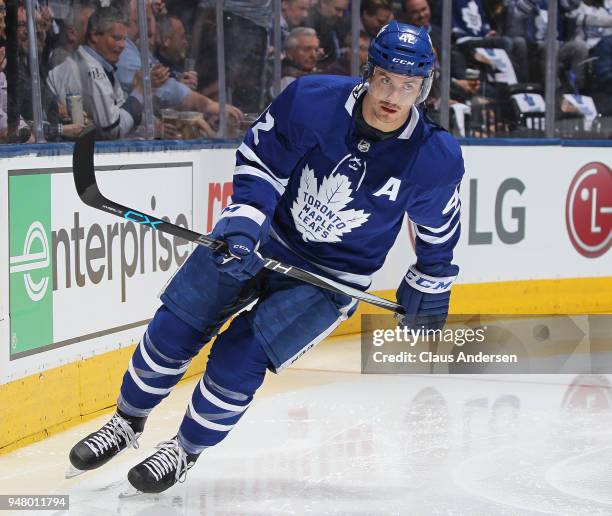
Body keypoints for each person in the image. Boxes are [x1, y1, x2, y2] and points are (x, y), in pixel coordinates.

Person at [67, 21, 464, 495]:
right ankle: (127, 422)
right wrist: (244, 222)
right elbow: (261, 162)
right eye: (385, 80)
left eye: (409, 86)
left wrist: (431, 283)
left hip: (331, 278)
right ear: (368, 72)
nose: (394, 96)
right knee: (177, 324)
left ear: (425, 87)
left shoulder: (434, 156)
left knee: (241, 356)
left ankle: (184, 449)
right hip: (265, 236)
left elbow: (438, 229)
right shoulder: (313, 100)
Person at [280, 27, 322, 92]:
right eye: (307, 49)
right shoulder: (283, 81)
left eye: (316, 50)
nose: (313, 55)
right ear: (290, 53)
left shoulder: (321, 76)